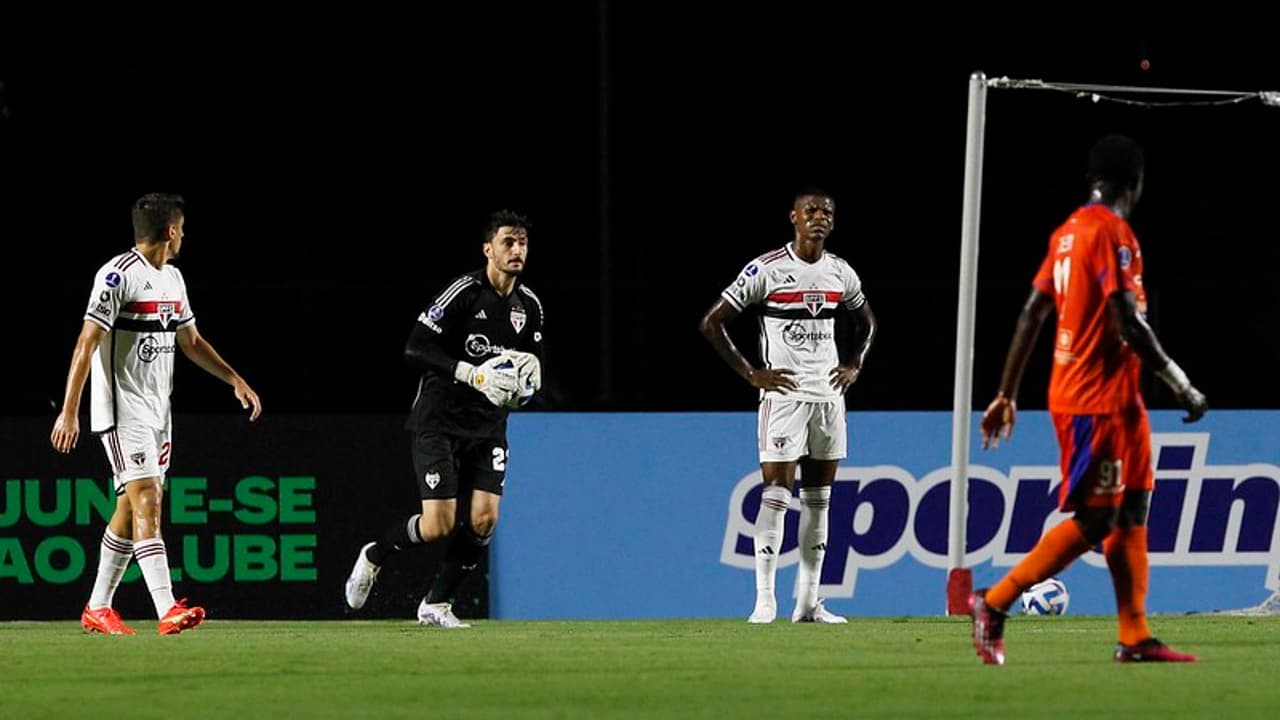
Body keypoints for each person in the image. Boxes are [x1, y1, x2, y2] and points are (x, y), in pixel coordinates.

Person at [971, 135, 1208, 665]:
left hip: (1120, 399)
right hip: (1091, 397)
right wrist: (1179, 381)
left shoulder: (1066, 233)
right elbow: (1128, 320)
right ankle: (995, 602)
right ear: (1136, 182)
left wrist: (1006, 392)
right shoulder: (1109, 231)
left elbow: (1032, 312)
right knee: (1100, 518)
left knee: (1134, 504)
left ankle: (1134, 636)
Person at [51, 192, 263, 635]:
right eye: (182, 228)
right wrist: (69, 412)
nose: (184, 235)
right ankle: (166, 607)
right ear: (170, 231)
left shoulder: (174, 280)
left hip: (157, 413)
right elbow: (85, 343)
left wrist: (234, 379)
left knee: (129, 508)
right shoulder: (116, 276)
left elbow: (191, 342)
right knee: (148, 496)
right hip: (120, 410)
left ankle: (97, 606)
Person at [344, 209, 545, 628]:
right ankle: (375, 554)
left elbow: (527, 371)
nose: (517, 249)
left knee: (485, 519)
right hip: (439, 420)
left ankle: (436, 603)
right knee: (438, 525)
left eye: (522, 242)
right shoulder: (464, 293)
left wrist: (525, 390)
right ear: (488, 249)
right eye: (508, 241)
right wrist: (470, 372)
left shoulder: (531, 306)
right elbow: (415, 347)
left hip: (488, 425)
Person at [700, 187, 877, 624]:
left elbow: (867, 320)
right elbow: (712, 321)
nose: (819, 217)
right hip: (784, 398)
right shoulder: (768, 269)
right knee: (776, 494)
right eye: (811, 211)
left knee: (820, 500)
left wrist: (854, 363)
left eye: (827, 212)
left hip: (829, 397)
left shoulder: (840, 272)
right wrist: (751, 374)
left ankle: (808, 602)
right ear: (793, 218)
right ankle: (764, 599)